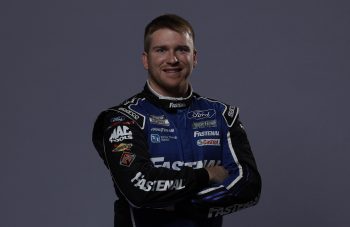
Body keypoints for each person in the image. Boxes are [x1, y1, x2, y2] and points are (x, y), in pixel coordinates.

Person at [92, 14, 261, 227]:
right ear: (146, 59)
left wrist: (182, 206)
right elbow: (139, 188)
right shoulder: (123, 119)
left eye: (182, 49)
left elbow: (248, 185)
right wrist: (206, 175)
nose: (172, 59)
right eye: (161, 50)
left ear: (194, 57)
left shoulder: (221, 115)